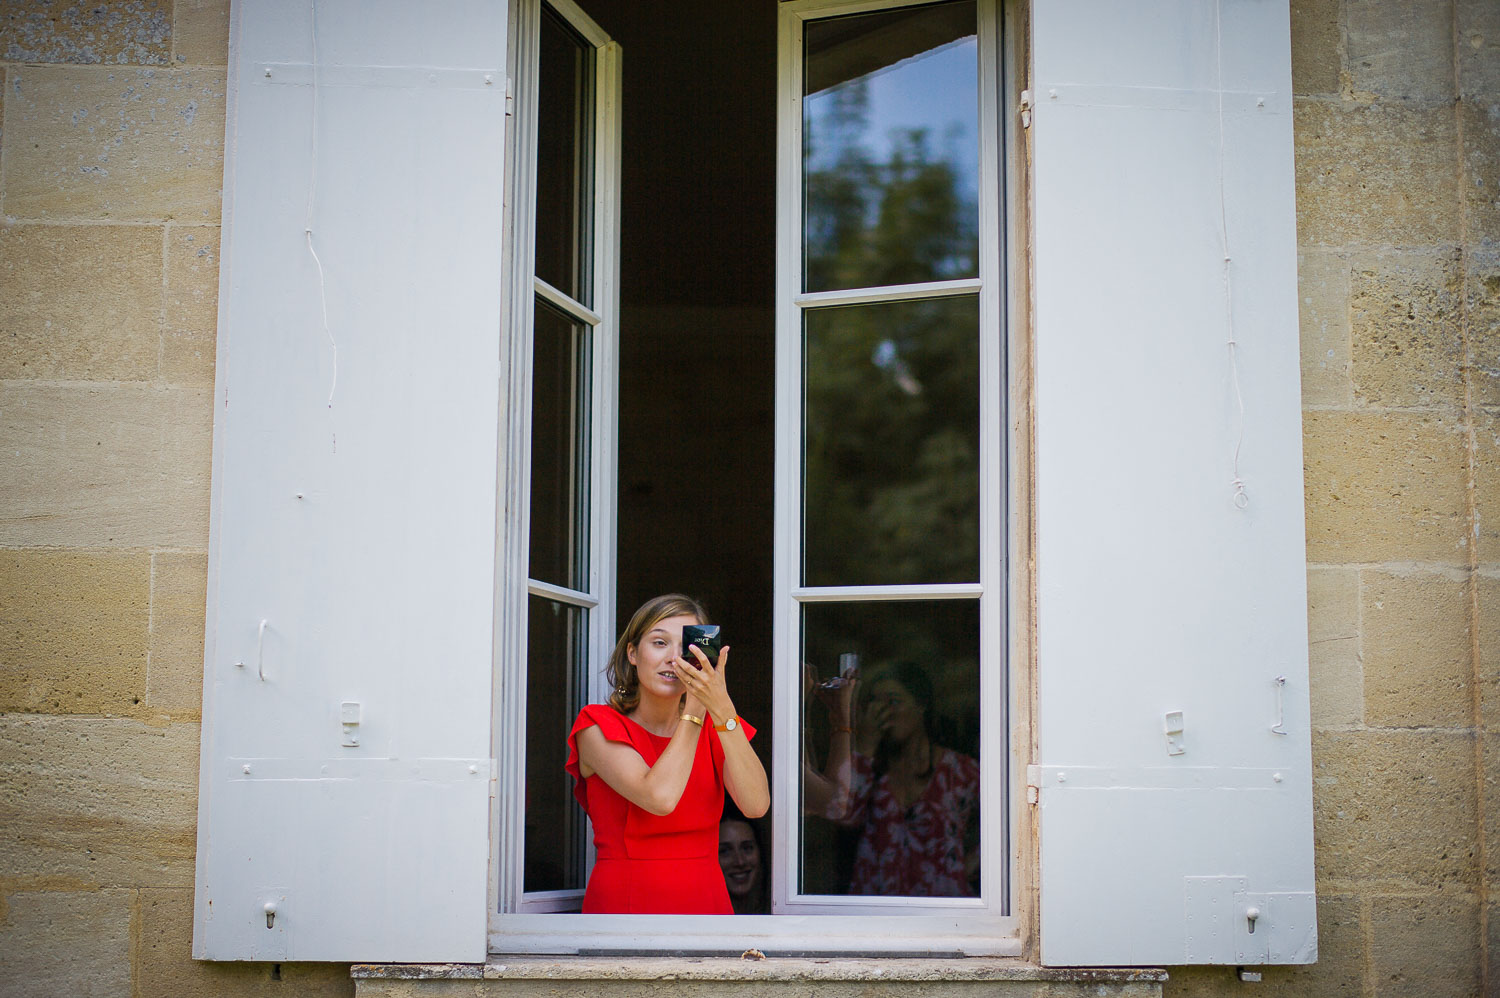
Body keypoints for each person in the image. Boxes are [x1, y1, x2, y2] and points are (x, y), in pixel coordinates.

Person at [566, 594, 770, 914]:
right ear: (633, 653)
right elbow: (659, 798)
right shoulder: (597, 725)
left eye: (686, 647)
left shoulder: (717, 726)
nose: (674, 659)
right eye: (660, 643)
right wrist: (697, 708)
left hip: (707, 899)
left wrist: (723, 710)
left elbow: (756, 804)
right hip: (627, 901)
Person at [819, 661, 979, 898]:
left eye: (893, 702)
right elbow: (845, 816)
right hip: (877, 908)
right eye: (875, 703)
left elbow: (1007, 823)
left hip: (944, 911)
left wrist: (972, 865)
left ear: (921, 705)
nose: (883, 712)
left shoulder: (960, 770)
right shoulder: (871, 769)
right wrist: (866, 744)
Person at [717, 814, 768, 914]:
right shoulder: (699, 918)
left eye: (747, 848)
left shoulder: (778, 913)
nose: (740, 861)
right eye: (725, 851)